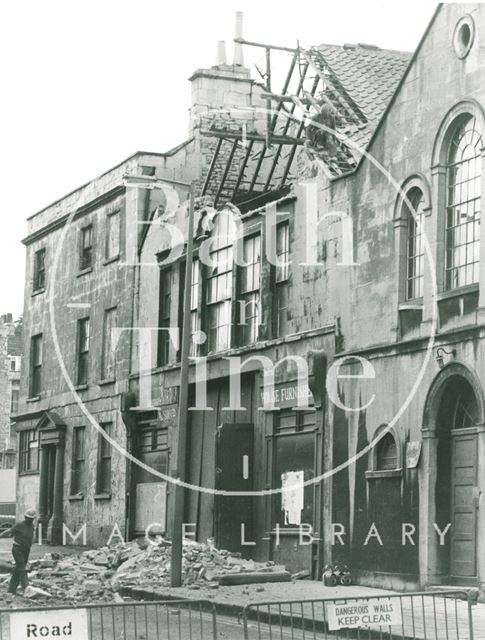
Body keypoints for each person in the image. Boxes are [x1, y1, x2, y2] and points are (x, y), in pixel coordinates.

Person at [0, 509, 36, 595]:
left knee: (18, 570)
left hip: (26, 550)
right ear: (25, 517)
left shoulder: (32, 526)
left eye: (31, 519)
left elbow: (32, 537)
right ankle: (27, 588)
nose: (29, 520)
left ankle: (12, 589)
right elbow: (9, 531)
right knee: (22, 568)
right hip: (17, 549)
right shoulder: (19, 525)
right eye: (28, 518)